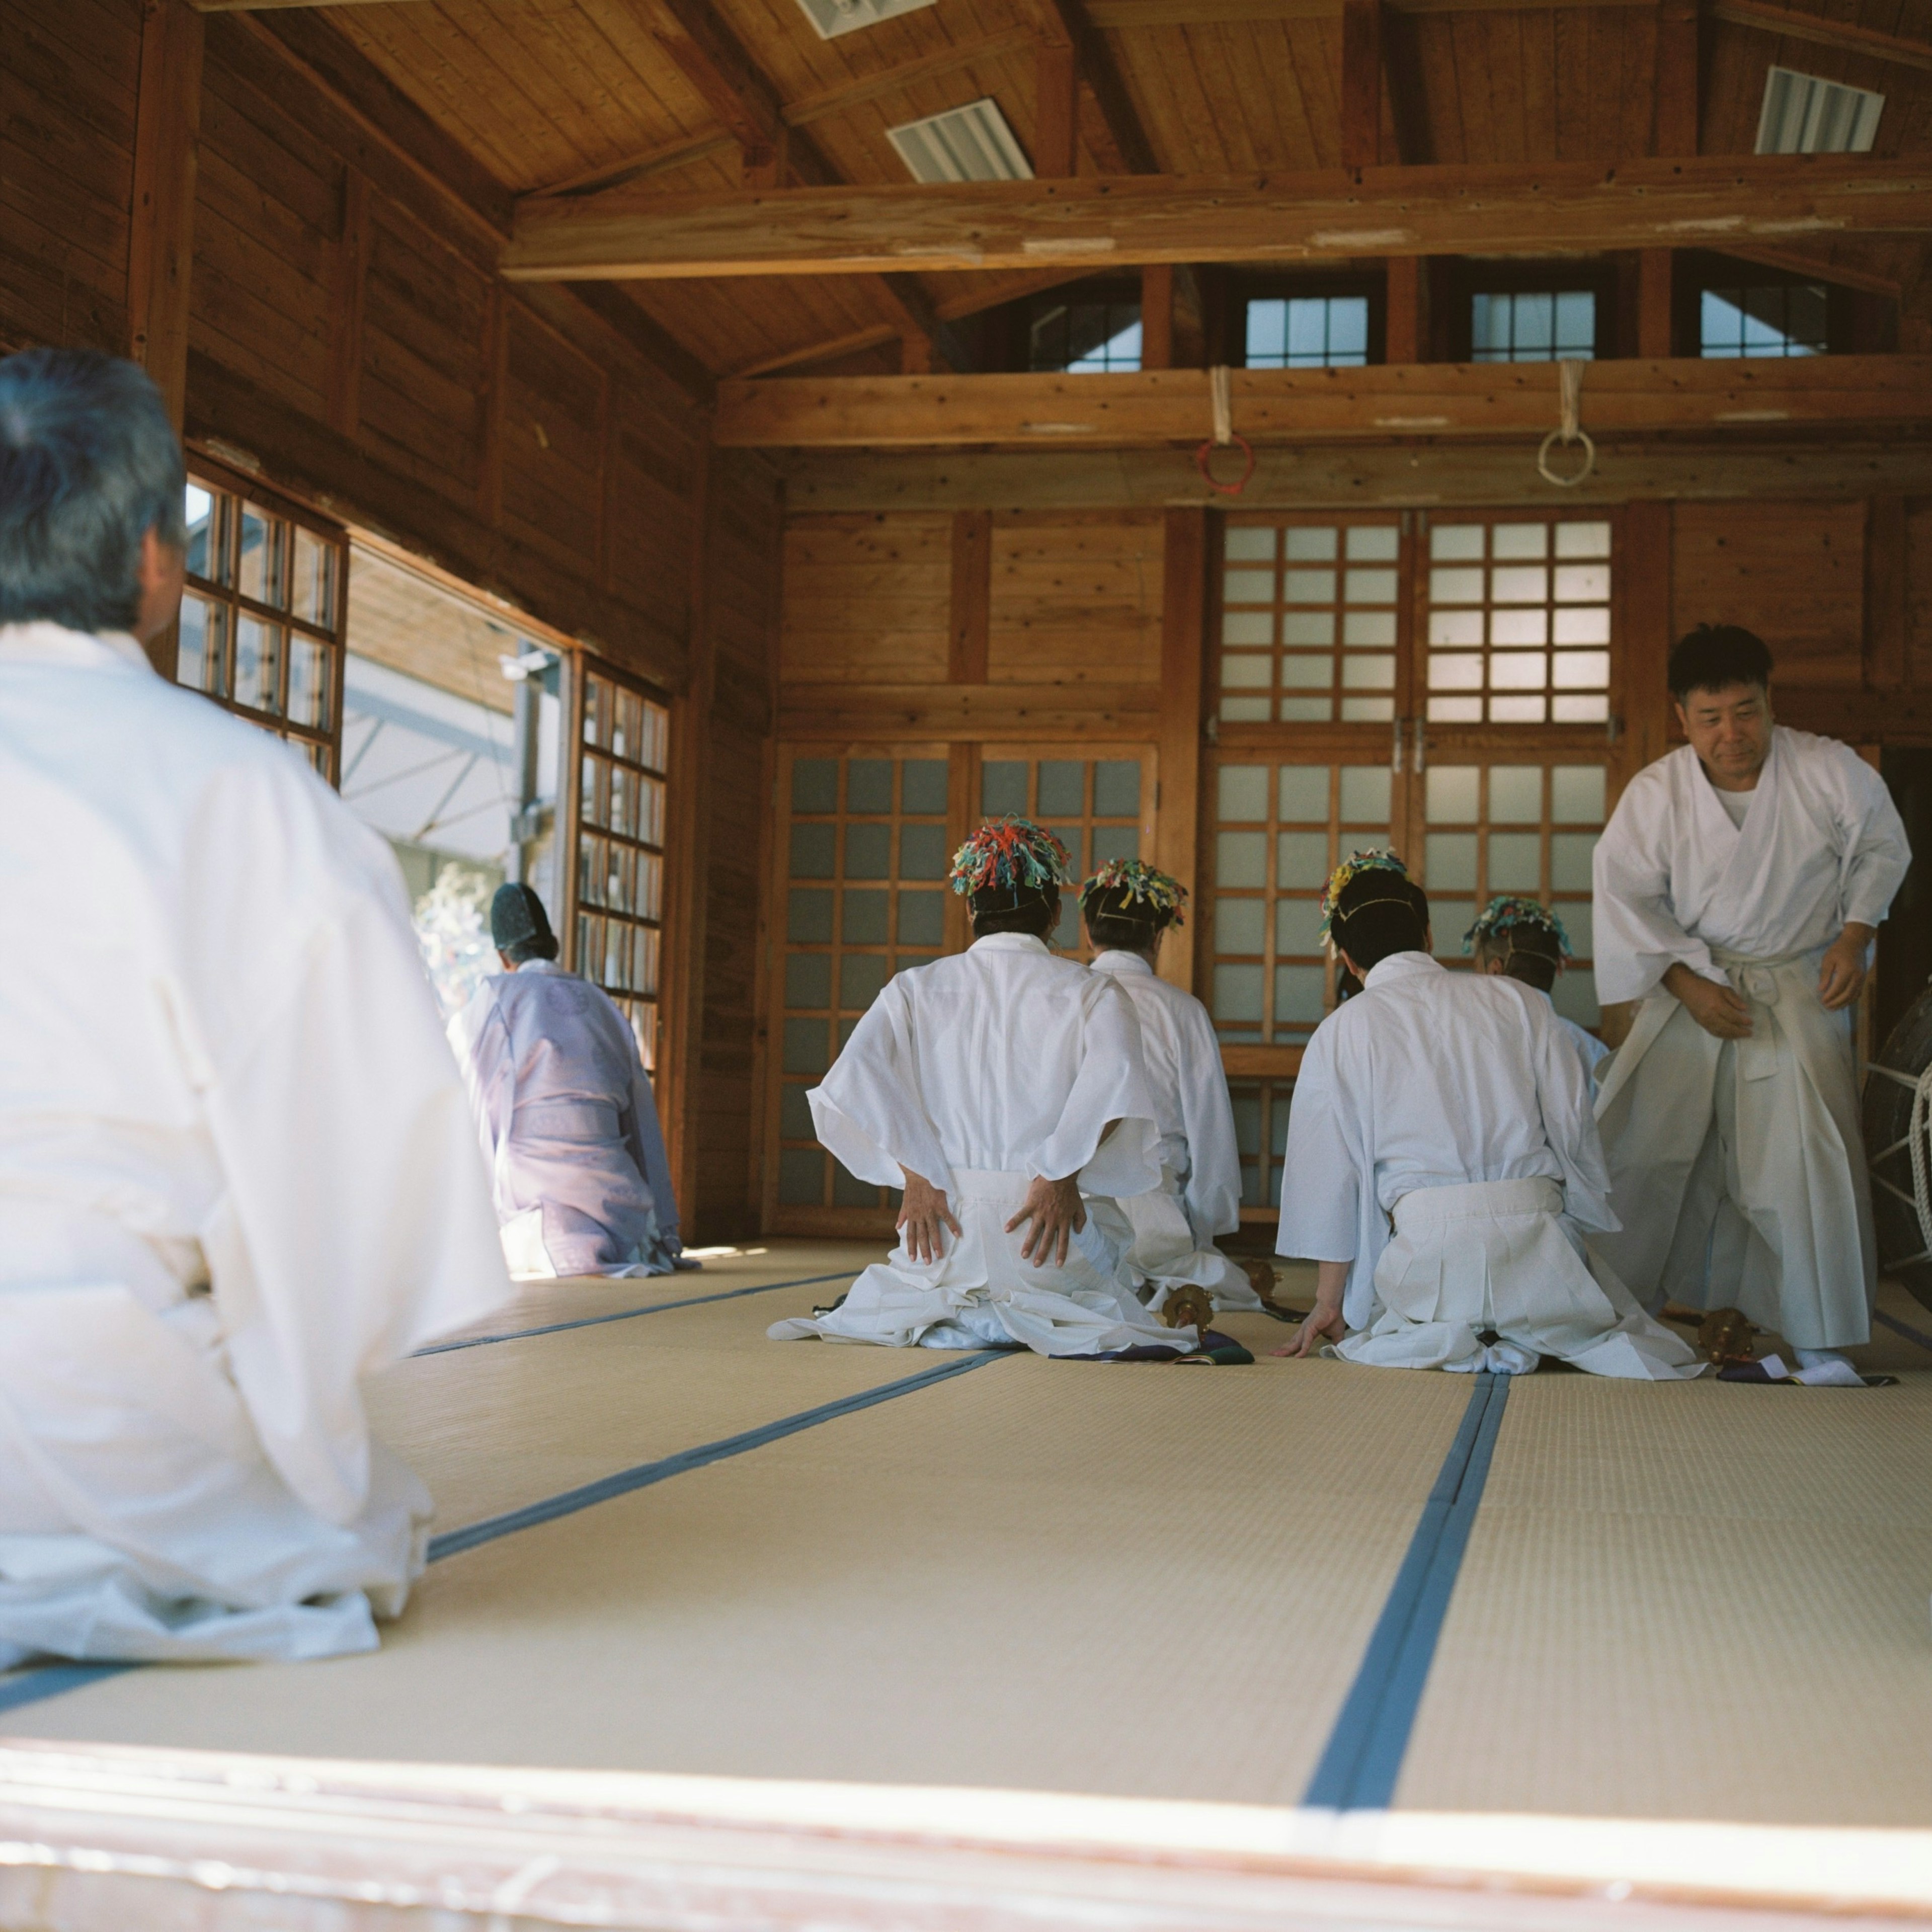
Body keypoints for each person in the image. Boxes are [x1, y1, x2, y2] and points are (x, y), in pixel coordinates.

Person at [0, 348, 513, 1667]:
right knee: (340, 1519)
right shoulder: (242, 791)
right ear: (157, 564)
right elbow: (361, 1164)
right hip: (102, 1381)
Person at [1591, 624, 1911, 1383]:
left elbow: (1881, 848)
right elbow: (1623, 896)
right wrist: (1685, 984)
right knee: (1642, 1146)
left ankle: (1817, 1335)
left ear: (1771, 703)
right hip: (1693, 984)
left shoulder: (1828, 769)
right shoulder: (1657, 793)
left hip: (1798, 984)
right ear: (1682, 718)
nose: (1732, 734)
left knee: (1803, 1159)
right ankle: (1610, 1313)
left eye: (1747, 711)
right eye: (1711, 719)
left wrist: (1855, 936)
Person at [769, 819, 1193, 1356]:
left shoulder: (915, 988)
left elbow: (852, 1079)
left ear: (971, 909)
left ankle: (971, 1313)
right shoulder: (1094, 992)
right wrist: (1058, 1173)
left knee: (924, 1286)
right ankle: (1011, 1315)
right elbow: (1118, 1085)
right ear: (1057, 914)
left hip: (945, 1228)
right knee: (1105, 1283)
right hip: (1045, 1229)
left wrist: (916, 1171)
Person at [1274, 852, 1700, 1379]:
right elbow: (1574, 1129)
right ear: (1427, 935)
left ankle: (1466, 1330)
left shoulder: (1340, 1032)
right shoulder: (1520, 1001)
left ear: (1347, 959)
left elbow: (1328, 1182)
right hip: (1541, 1251)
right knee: (1589, 1318)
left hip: (1429, 1259)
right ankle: (1528, 1323)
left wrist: (1328, 1304)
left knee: (1410, 1319)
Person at [448, 883, 691, 1280]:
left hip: (537, 1187)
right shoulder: (600, 1001)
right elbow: (641, 1121)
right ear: (552, 946)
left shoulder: (496, 997)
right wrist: (664, 1225)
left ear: (502, 957)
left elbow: (461, 1090)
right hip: (614, 1192)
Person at [1077, 859, 1260, 1317]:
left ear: (1088, 933)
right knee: (1209, 1279)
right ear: (1157, 937)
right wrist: (1204, 1228)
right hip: (1158, 1212)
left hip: (1073, 1210)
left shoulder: (1065, 997)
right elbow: (1209, 1130)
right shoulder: (1182, 1009)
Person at [1466, 895, 1609, 1084]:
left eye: (1477, 969)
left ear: (1495, 970)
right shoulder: (1592, 1051)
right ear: (1556, 966)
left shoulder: (1470, 1042)